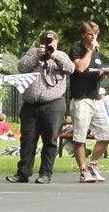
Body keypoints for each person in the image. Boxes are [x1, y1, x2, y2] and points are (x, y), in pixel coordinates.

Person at [6, 31, 74, 184]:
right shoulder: (32, 53)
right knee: (27, 140)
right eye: (47, 44)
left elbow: (71, 69)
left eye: (53, 44)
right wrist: (37, 55)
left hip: (53, 103)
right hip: (31, 105)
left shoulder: (61, 55)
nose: (50, 47)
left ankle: (45, 173)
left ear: (56, 44)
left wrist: (55, 56)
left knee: (50, 140)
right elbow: (22, 67)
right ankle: (22, 173)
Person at [68, 21, 109, 183]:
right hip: (81, 99)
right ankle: (83, 170)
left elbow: (96, 74)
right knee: (80, 138)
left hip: (95, 97)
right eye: (90, 34)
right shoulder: (76, 50)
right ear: (83, 35)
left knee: (106, 135)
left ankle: (93, 165)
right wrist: (89, 51)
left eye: (95, 33)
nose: (93, 36)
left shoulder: (97, 52)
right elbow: (80, 68)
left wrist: (104, 74)